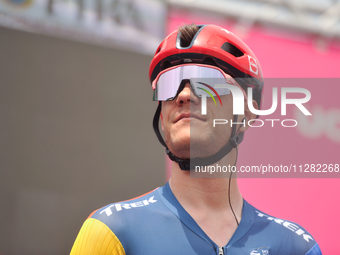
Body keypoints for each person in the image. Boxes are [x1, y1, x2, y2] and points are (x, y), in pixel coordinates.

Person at [70, 23, 322, 255]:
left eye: (207, 81)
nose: (185, 94)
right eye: (169, 83)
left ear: (246, 113)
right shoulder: (113, 231)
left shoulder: (296, 247)